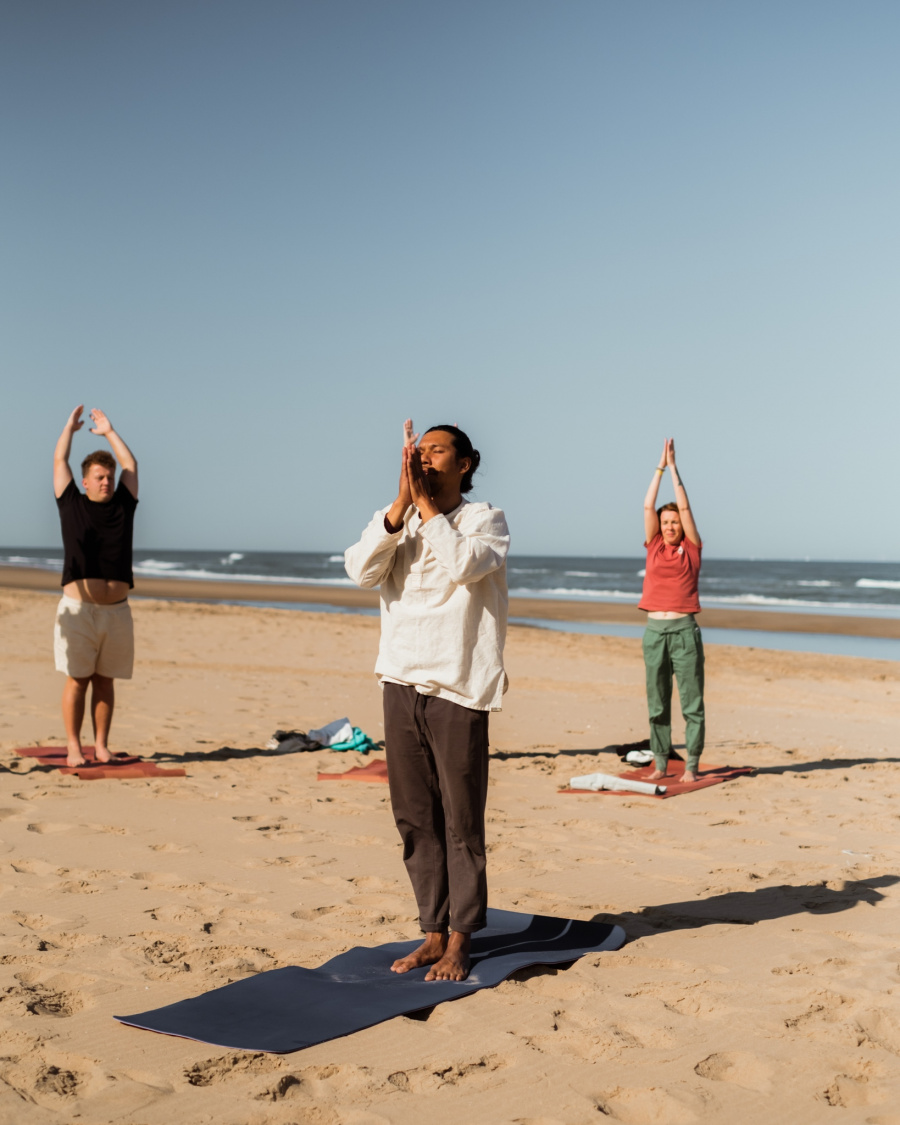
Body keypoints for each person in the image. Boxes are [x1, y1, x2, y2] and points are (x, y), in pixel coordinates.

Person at [345, 420, 509, 981]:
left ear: (464, 463)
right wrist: (399, 505)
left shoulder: (483, 520)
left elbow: (466, 566)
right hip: (399, 682)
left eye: (438, 451)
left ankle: (461, 939)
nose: (426, 459)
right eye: (419, 452)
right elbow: (360, 571)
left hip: (459, 687)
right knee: (414, 818)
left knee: (462, 820)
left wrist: (428, 510)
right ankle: (432, 932)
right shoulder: (396, 521)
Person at [53, 406, 139, 767]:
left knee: (106, 682)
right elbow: (60, 459)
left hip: (117, 612)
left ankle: (101, 746)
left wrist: (109, 432)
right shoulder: (71, 502)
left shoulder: (124, 505)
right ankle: (74, 748)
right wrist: (69, 431)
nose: (107, 481)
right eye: (100, 477)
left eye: (109, 476)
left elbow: (131, 466)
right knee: (78, 681)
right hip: (78, 611)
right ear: (85, 481)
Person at [638, 438, 704, 783]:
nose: (670, 526)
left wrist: (675, 469)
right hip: (654, 632)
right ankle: (661, 763)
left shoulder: (691, 548)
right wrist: (659, 467)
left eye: (674, 522)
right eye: (666, 522)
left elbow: (687, 510)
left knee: (691, 703)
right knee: (658, 703)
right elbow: (647, 506)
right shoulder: (654, 546)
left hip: (684, 632)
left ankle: (691, 765)